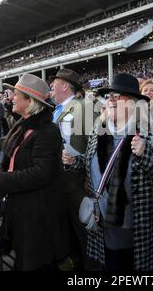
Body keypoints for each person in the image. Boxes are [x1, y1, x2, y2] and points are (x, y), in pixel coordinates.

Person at [63, 73, 153, 271]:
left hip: (142, 225)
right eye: (108, 97)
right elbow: (91, 166)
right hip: (106, 223)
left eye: (118, 96)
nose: (111, 101)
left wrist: (145, 153)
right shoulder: (98, 130)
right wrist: (74, 161)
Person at [0, 73, 68, 270]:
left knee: (34, 263)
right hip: (21, 207)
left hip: (37, 213)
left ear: (29, 101)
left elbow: (41, 173)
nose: (11, 98)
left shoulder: (47, 131)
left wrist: (1, 179)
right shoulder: (23, 125)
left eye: (15, 94)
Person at [50, 68, 96, 270]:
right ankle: (76, 261)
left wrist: (89, 177)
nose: (51, 88)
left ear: (65, 86)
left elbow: (96, 144)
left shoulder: (84, 107)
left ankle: (90, 268)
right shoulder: (57, 110)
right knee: (69, 226)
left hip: (77, 180)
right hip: (61, 178)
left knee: (83, 228)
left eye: (54, 85)